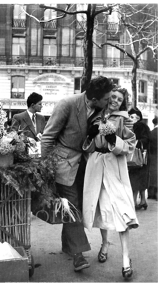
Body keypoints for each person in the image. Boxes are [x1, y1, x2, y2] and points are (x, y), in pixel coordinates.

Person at [41, 76, 115, 272]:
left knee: (77, 206)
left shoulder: (101, 109)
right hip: (63, 164)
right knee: (72, 207)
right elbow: (48, 137)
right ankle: (79, 255)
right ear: (94, 98)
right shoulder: (67, 104)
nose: (109, 101)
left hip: (86, 165)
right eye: (106, 98)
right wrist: (46, 168)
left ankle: (68, 246)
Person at [82, 86, 138, 280]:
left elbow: (130, 145)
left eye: (119, 98)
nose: (114, 100)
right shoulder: (95, 117)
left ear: (123, 102)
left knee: (122, 212)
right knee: (102, 208)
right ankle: (105, 244)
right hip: (97, 167)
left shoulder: (125, 119)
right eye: (112, 96)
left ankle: (125, 259)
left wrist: (114, 139)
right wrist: (89, 136)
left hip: (115, 168)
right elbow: (88, 149)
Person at [128, 107, 151, 210]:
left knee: (135, 179)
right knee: (141, 179)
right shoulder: (144, 127)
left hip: (136, 157)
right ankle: (142, 200)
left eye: (136, 117)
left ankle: (134, 202)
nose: (133, 119)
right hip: (144, 157)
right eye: (131, 116)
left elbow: (143, 139)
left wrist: (135, 143)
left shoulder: (138, 126)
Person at [148, 117, 158, 201]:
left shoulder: (150, 133)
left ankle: (151, 194)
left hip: (153, 156)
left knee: (153, 174)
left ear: (154, 124)